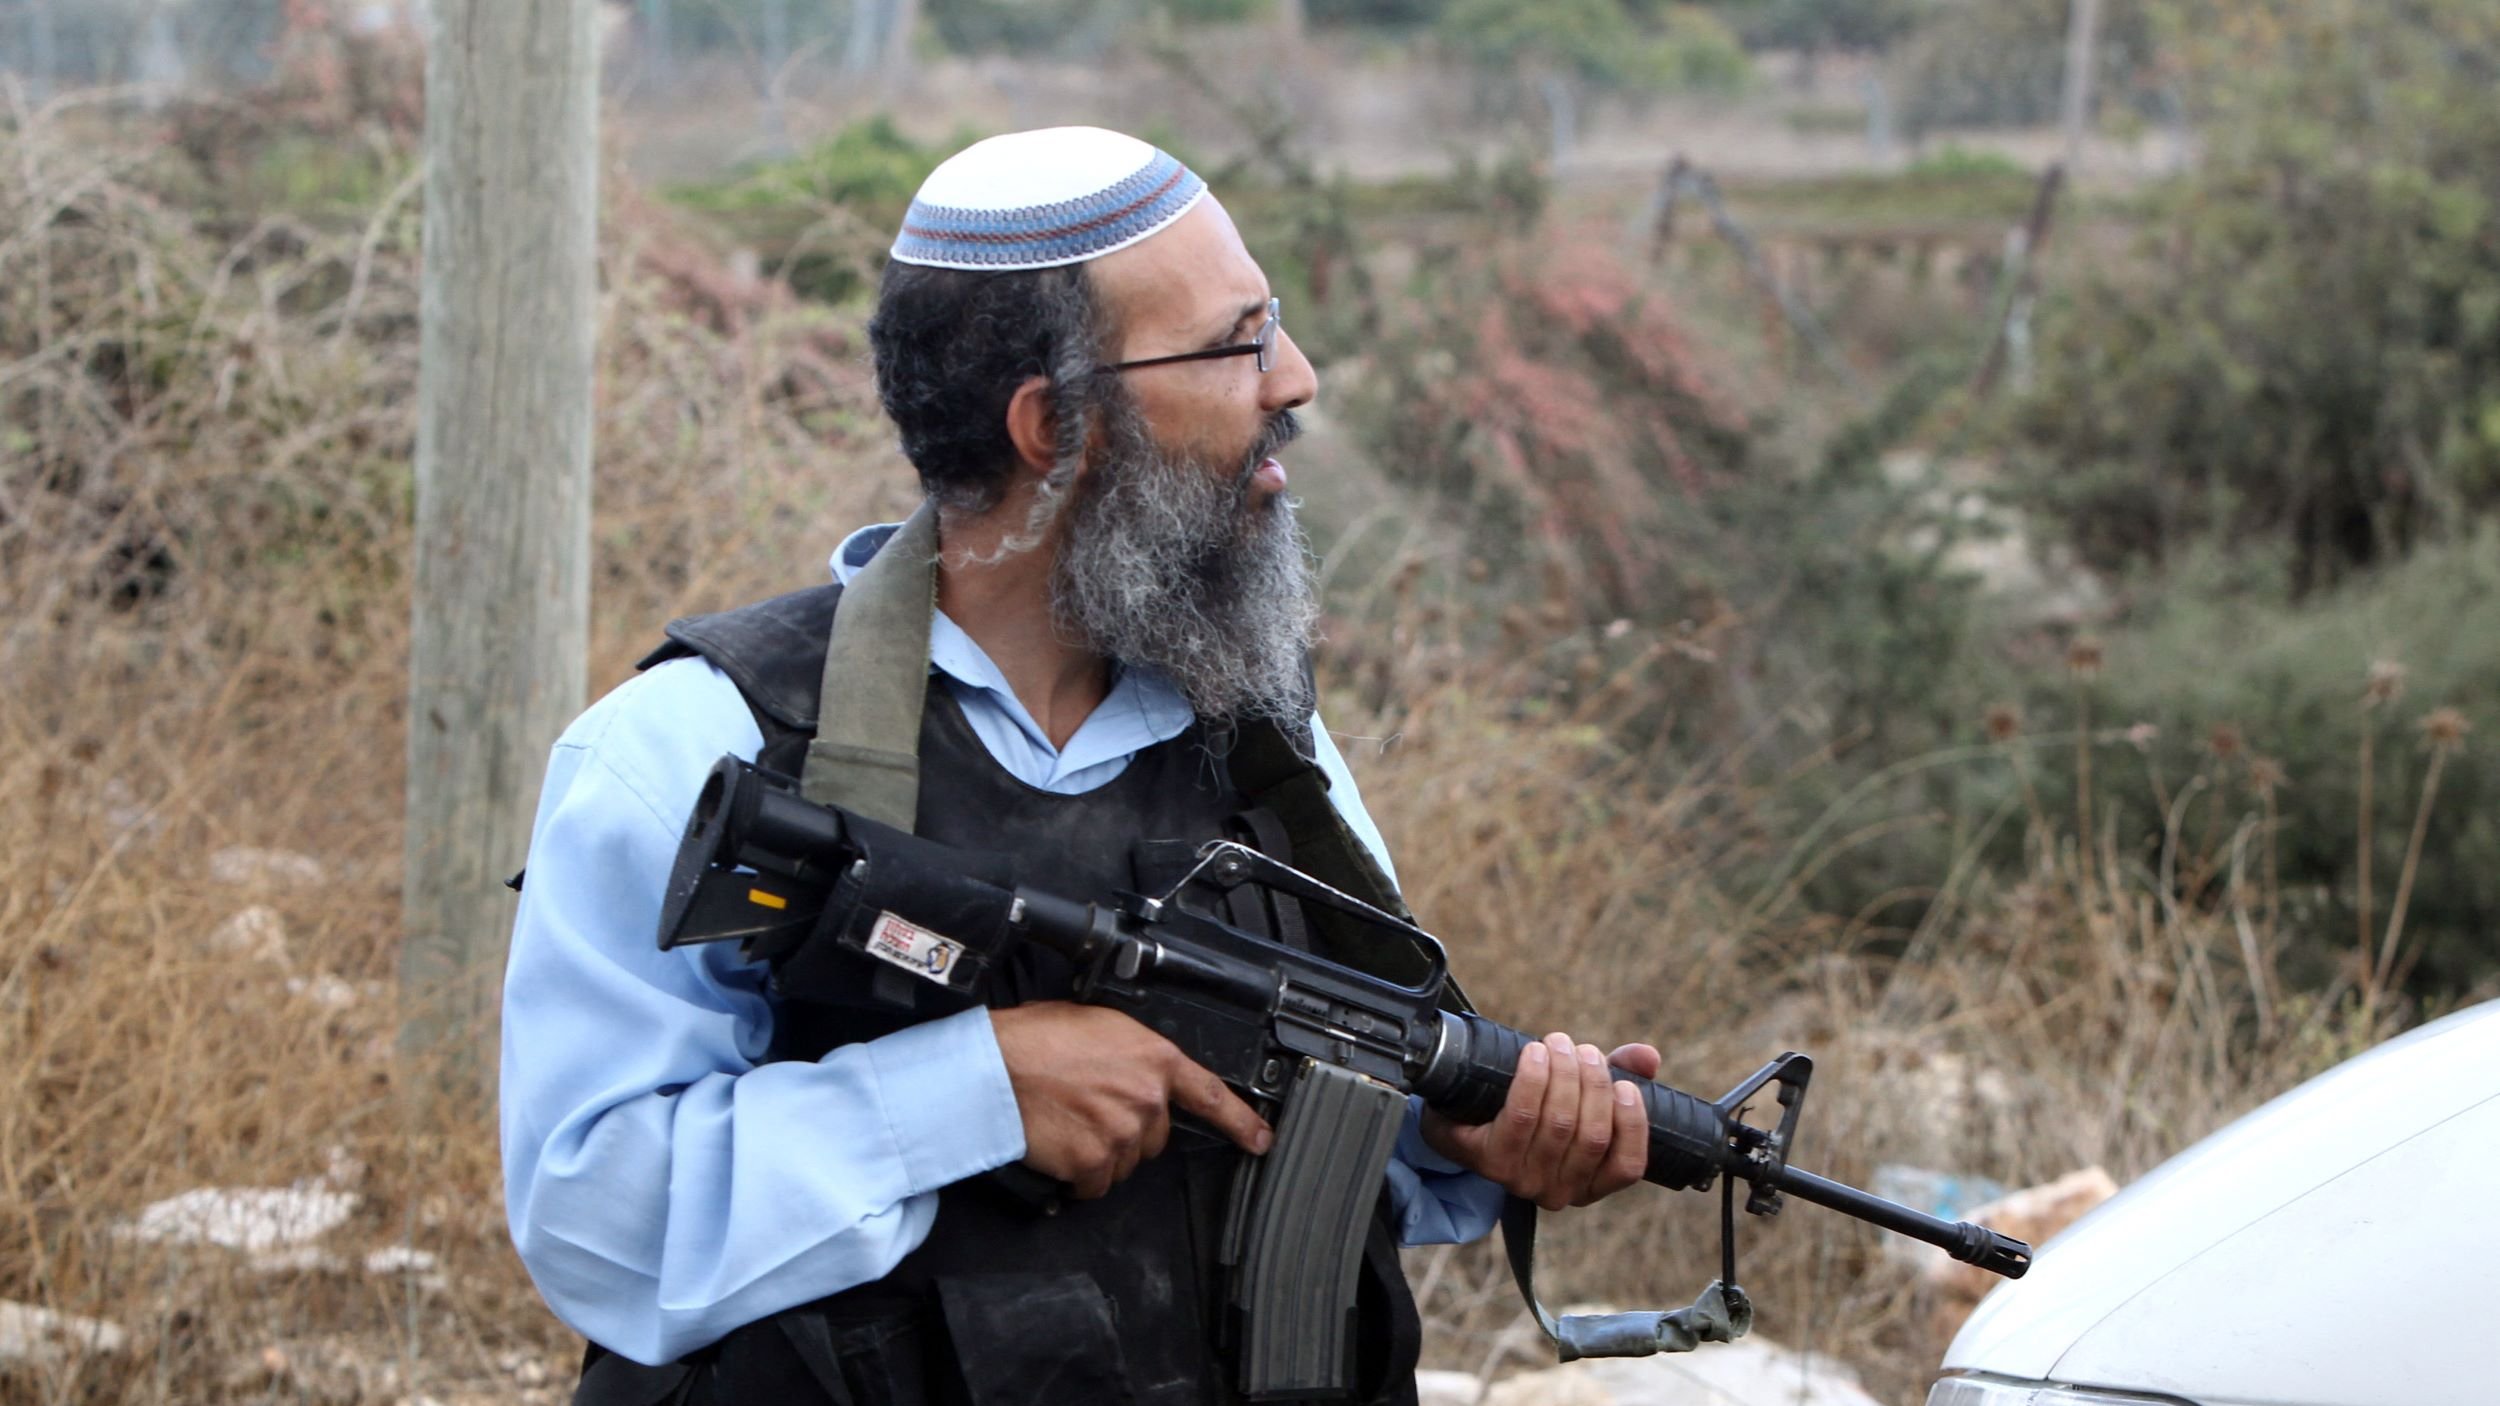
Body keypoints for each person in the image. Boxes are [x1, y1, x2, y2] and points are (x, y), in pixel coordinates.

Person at [501, 127, 1663, 1406]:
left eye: (1274, 328)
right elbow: (595, 1222)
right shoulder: (692, 750)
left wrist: (1460, 1131)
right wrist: (974, 1090)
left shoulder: (1267, 750)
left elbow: (1289, 1133)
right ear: (1056, 424)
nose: (1297, 379)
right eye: (1237, 344)